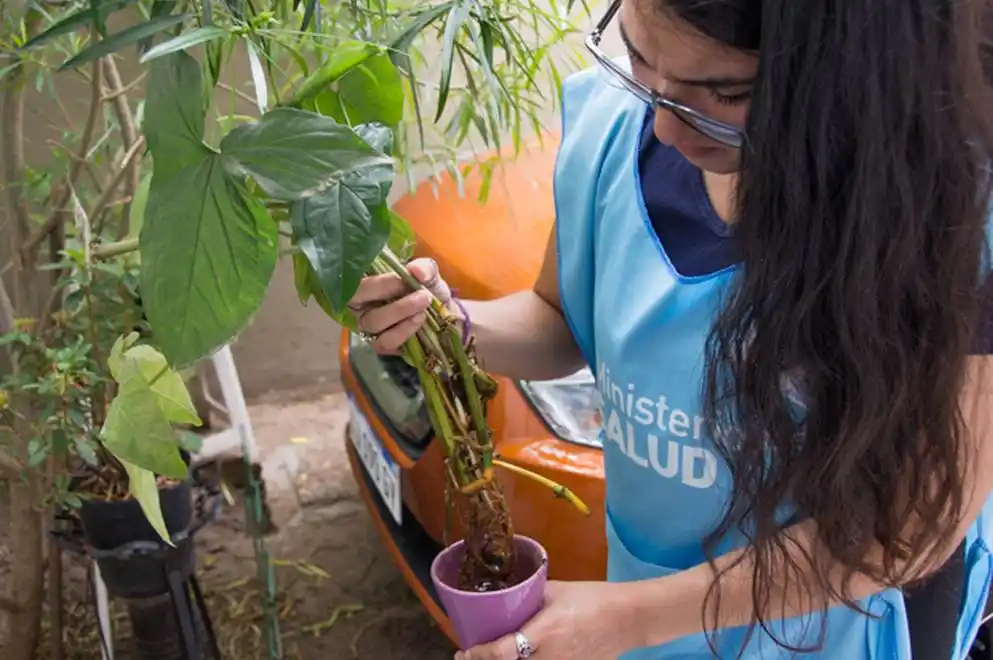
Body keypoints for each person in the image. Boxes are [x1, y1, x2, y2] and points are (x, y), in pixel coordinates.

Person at [347, 0, 993, 658]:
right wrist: (447, 325)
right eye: (638, 58)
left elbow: (908, 528)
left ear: (851, 71)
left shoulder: (949, 221)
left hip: (828, 620)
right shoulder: (613, 126)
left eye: (726, 93)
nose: (663, 127)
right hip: (646, 601)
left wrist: (628, 619)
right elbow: (557, 320)